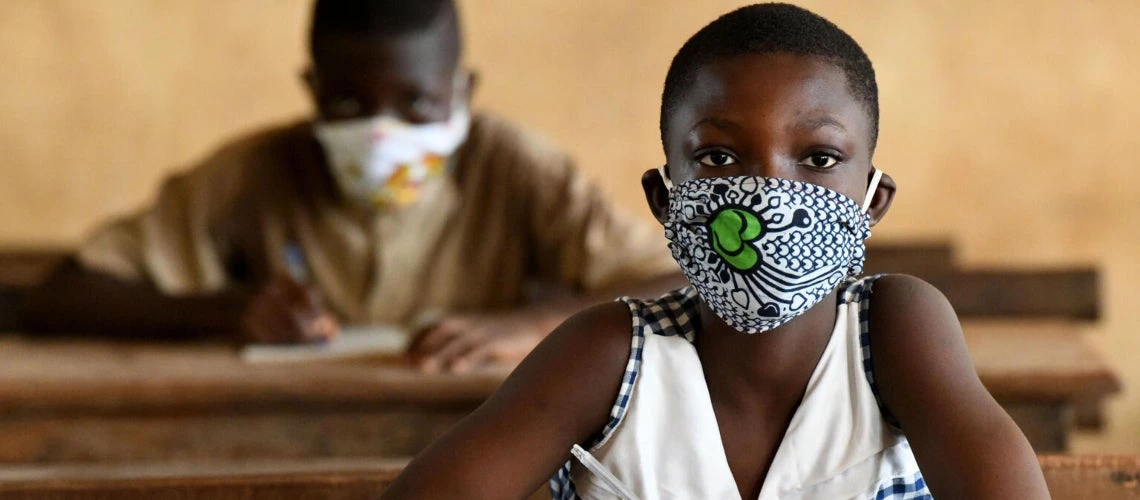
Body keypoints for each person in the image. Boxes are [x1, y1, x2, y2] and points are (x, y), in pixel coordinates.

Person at [381, 4, 1051, 498]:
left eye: (818, 158)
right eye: (720, 157)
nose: (766, 194)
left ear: (872, 201)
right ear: (665, 200)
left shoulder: (894, 330)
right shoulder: (609, 356)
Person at [22, 0, 681, 373]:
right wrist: (226, 311)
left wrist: (535, 324)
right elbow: (61, 297)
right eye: (347, 107)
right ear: (311, 94)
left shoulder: (515, 168)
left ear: (463, 92)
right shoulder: (255, 171)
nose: (379, 135)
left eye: (416, 105)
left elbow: (679, 277)